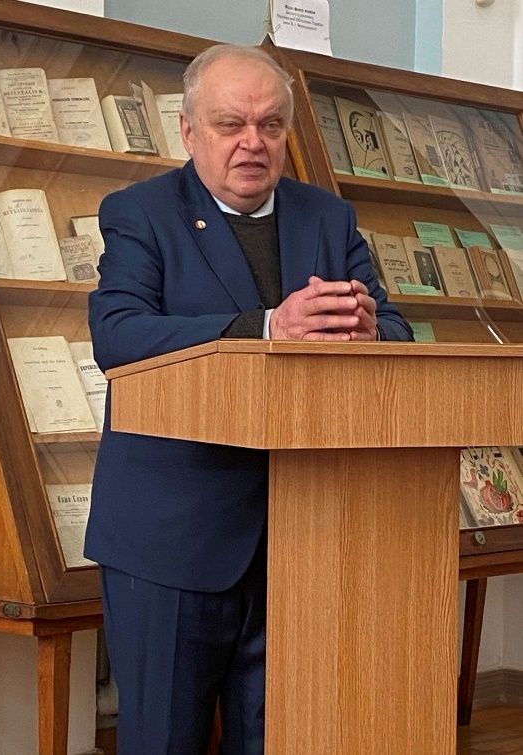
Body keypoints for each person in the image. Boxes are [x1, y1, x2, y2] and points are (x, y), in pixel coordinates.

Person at [85, 43, 414, 755]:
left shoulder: (328, 217)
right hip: (172, 540)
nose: (252, 143)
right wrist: (265, 327)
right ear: (188, 130)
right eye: (231, 124)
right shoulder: (140, 213)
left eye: (269, 125)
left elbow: (397, 328)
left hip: (303, 536)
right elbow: (118, 335)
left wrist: (368, 332)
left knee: (280, 739)